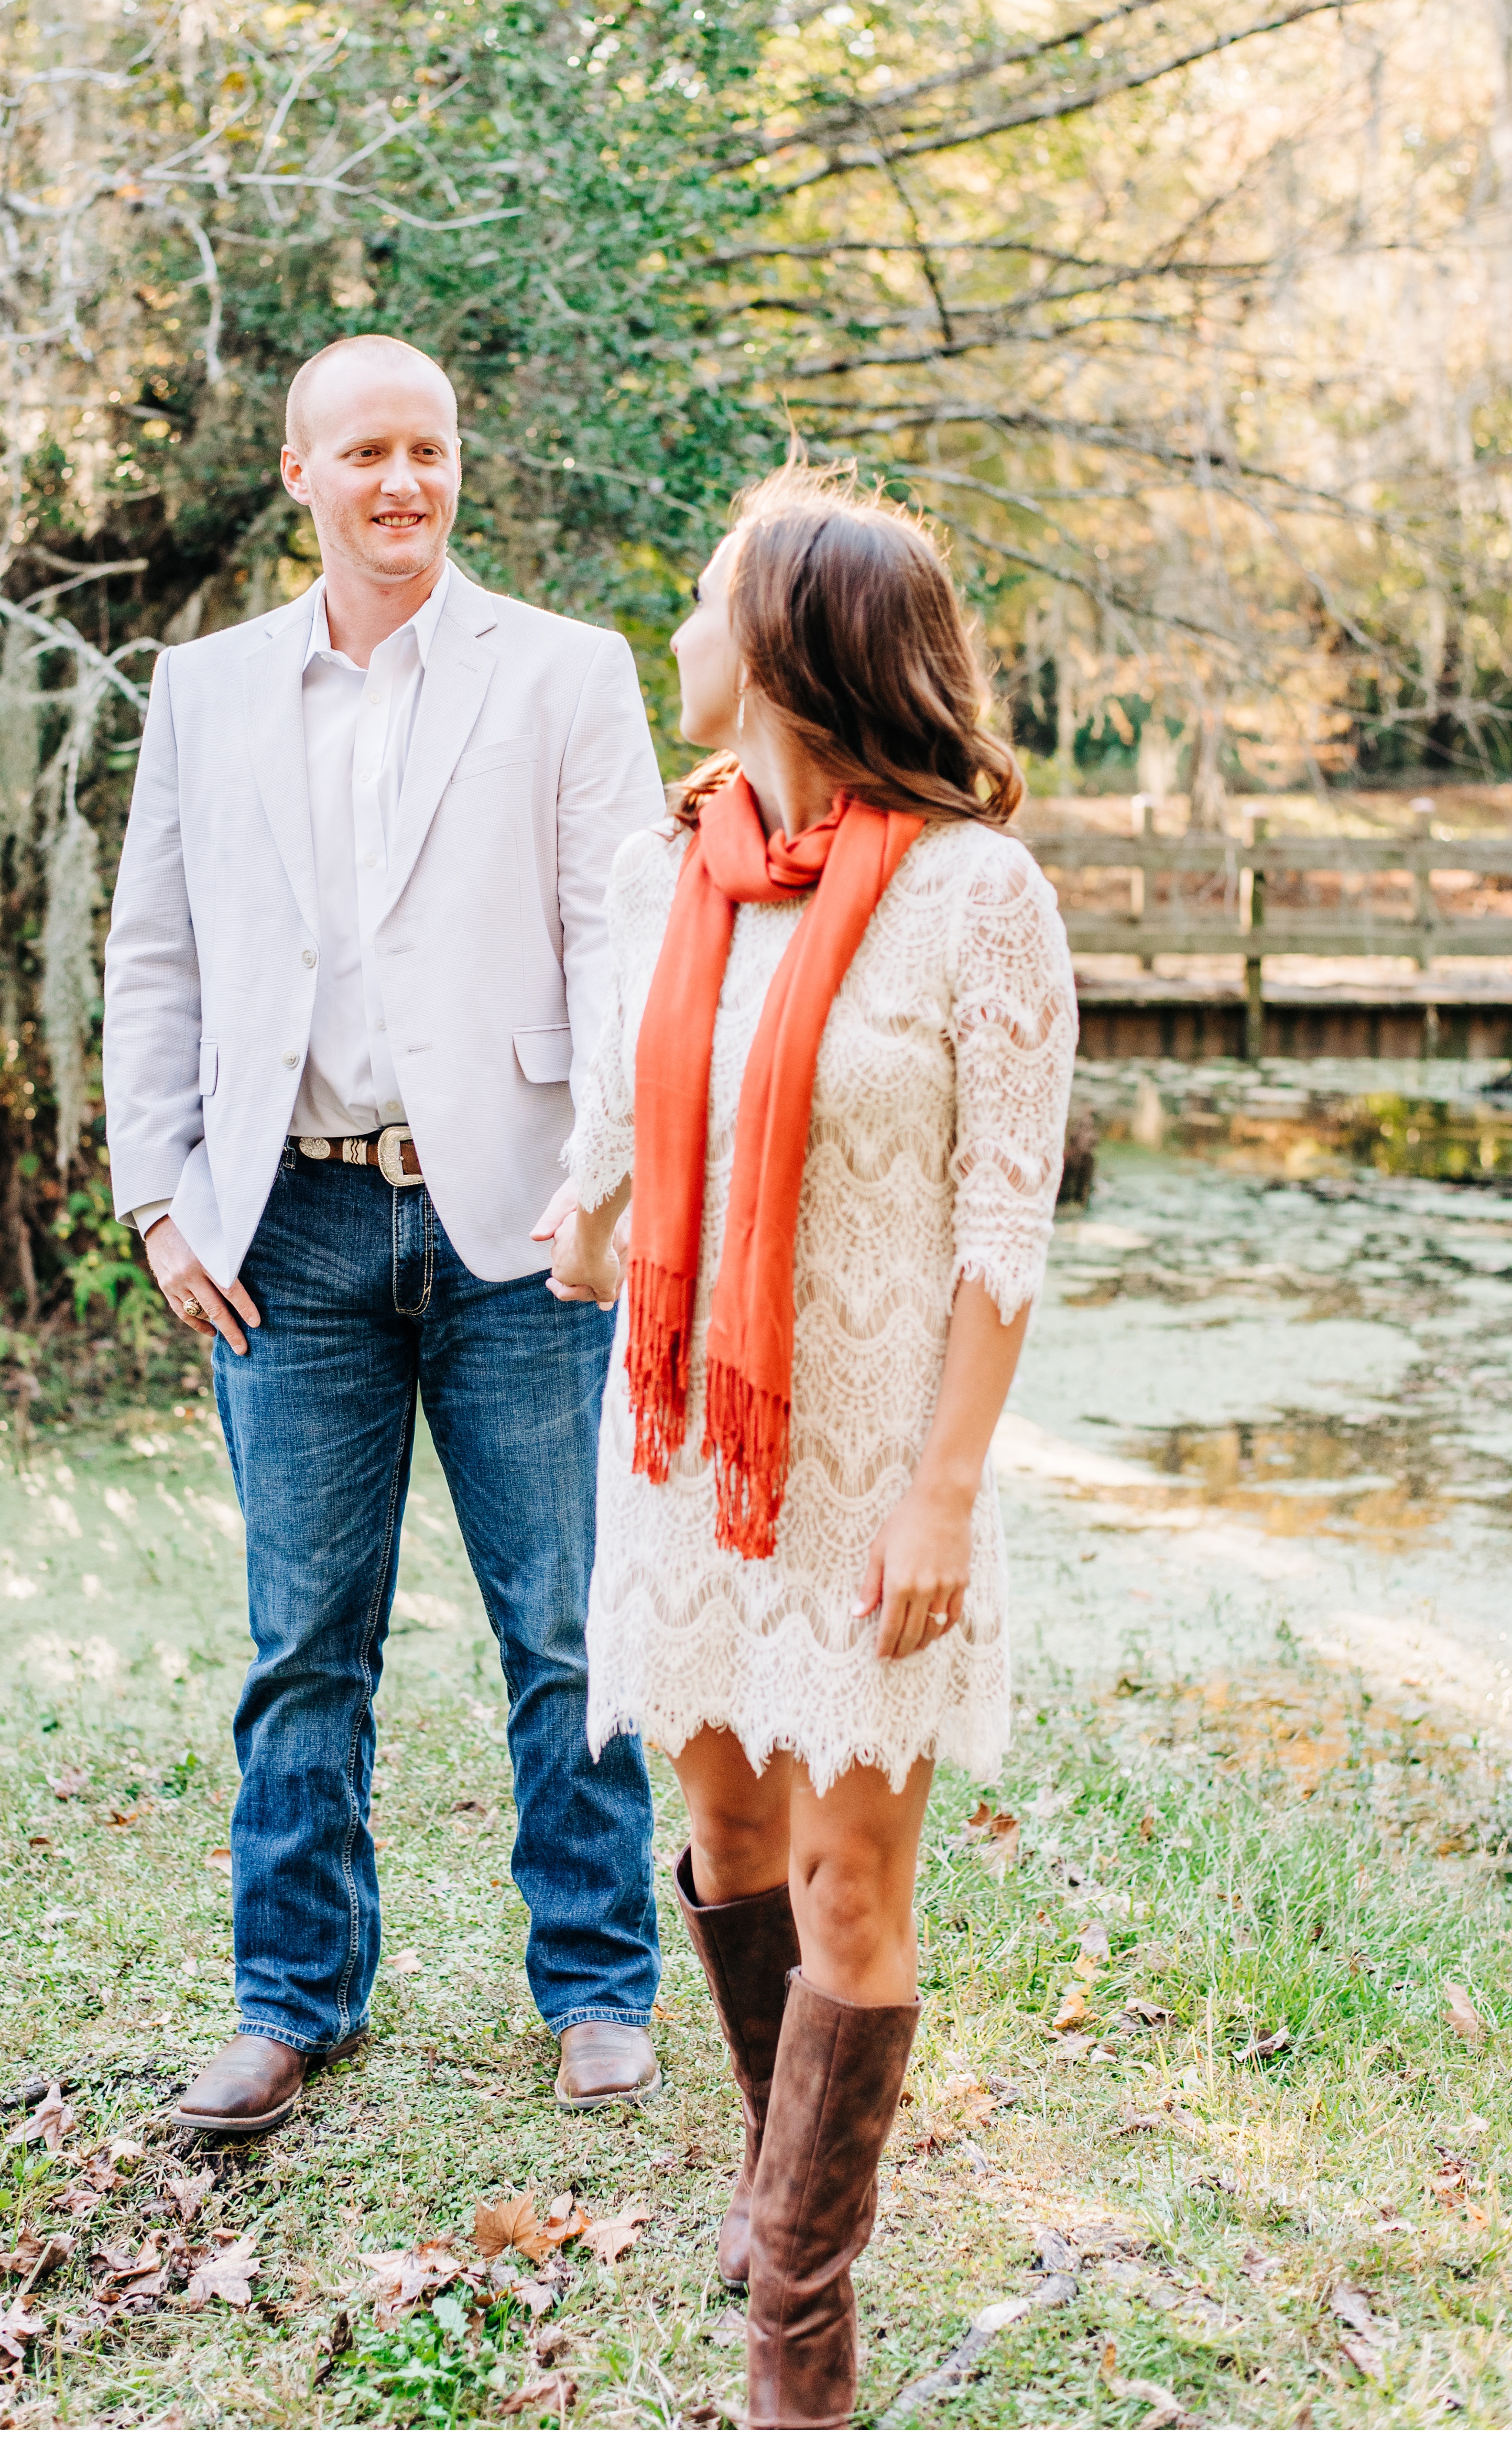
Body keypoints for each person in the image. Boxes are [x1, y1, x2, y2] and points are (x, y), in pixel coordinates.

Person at [539, 464, 1077, 2430]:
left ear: (779, 645)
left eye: (699, 602)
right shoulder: (659, 872)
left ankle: (796, 2329)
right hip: (685, 1454)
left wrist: (942, 1485)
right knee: (729, 1837)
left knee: (851, 1883)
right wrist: (588, 1222)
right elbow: (614, 1156)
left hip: (867, 1471)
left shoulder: (975, 898)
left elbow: (1001, 1229)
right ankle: (783, 2193)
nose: (672, 636)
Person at [103, 332, 665, 2138]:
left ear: (454, 465)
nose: (401, 482)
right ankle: (289, 2000)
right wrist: (156, 1188)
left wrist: (608, 1181)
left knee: (564, 1630)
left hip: (525, 1224)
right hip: (293, 1226)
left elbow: (623, 943)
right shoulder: (203, 689)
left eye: (426, 449)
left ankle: (593, 1985)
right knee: (300, 1641)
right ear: (299, 474)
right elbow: (158, 956)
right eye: (365, 453)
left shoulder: (567, 674)